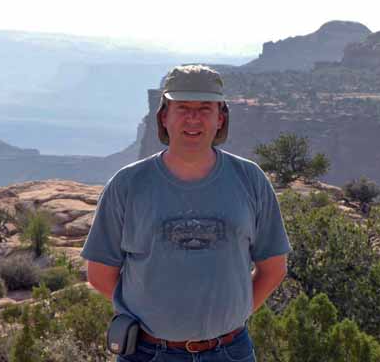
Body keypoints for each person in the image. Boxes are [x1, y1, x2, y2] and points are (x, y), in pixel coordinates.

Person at [81, 65, 291, 362]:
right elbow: (100, 274)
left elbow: (273, 268)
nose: (193, 118)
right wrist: (157, 318)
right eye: (183, 107)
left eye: (205, 108)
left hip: (230, 352)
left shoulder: (250, 179)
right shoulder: (127, 185)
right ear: (164, 116)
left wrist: (230, 318)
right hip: (147, 352)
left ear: (221, 118)